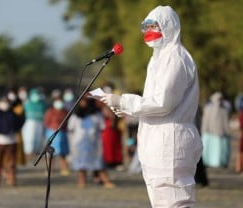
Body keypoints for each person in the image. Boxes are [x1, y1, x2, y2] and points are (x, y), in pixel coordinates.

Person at [100, 6, 202, 207]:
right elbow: (154, 102)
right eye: (145, 27)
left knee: (175, 202)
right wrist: (125, 108)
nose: (148, 32)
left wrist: (123, 101)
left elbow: (163, 103)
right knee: (162, 201)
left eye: (153, 26)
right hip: (157, 140)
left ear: (168, 27)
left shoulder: (175, 58)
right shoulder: (158, 59)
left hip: (171, 140)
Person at [67, 97, 115, 188]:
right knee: (81, 164)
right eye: (81, 101)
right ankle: (82, 181)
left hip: (94, 143)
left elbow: (102, 127)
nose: (83, 103)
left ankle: (105, 180)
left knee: (98, 163)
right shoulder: (75, 115)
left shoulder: (96, 115)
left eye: (85, 101)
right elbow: (70, 128)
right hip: (79, 143)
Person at [201, 92, 231, 168]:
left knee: (221, 151)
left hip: (222, 135)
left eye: (220, 99)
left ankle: (221, 163)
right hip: (210, 134)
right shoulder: (208, 108)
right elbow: (206, 121)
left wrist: (226, 132)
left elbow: (225, 122)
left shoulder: (224, 109)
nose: (219, 101)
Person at [43, 97, 70, 176]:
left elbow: (68, 122)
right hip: (52, 133)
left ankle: (64, 168)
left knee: (62, 153)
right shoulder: (50, 111)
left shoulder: (65, 111)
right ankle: (49, 169)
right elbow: (46, 122)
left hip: (62, 133)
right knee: (50, 153)